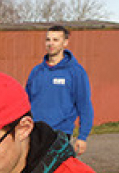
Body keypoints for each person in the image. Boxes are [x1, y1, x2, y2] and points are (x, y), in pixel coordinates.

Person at [25, 24, 93, 155]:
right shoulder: (36, 71)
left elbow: (84, 105)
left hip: (59, 133)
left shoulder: (76, 72)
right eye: (48, 39)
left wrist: (82, 136)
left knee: (56, 168)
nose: (51, 43)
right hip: (34, 132)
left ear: (65, 43)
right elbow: (25, 102)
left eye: (56, 40)